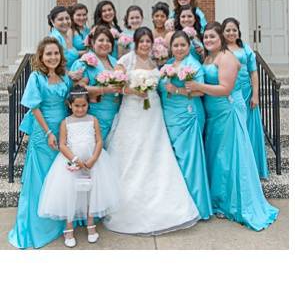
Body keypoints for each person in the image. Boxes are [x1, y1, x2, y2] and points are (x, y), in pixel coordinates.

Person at [103, 27, 199, 235]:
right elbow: (118, 87)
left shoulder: (155, 62)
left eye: (148, 41)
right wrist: (135, 90)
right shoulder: (125, 60)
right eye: (142, 41)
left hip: (153, 111)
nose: (145, 44)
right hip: (132, 110)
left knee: (156, 153)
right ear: (136, 42)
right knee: (133, 153)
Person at [186, 22, 278, 230]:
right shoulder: (208, 56)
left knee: (229, 157)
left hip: (227, 111)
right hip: (214, 114)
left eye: (212, 37)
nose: (209, 40)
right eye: (206, 37)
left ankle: (233, 202)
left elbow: (225, 89)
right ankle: (219, 199)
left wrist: (198, 86)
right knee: (218, 157)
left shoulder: (227, 57)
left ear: (221, 38)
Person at [8, 38, 72, 249]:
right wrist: (48, 133)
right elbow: (35, 108)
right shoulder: (36, 77)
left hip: (62, 129)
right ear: (41, 57)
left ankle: (58, 221)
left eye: (56, 53)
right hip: (43, 131)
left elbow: (69, 102)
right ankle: (37, 226)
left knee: (59, 176)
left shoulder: (64, 77)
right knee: (40, 178)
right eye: (48, 54)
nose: (53, 57)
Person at [37, 89, 121, 247]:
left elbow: (99, 141)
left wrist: (93, 159)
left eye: (83, 105)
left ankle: (91, 225)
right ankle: (68, 229)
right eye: (77, 106)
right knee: (70, 193)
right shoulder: (66, 122)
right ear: (70, 105)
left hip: (94, 162)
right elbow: (62, 144)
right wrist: (75, 160)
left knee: (92, 193)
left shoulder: (93, 120)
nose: (80, 109)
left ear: (88, 104)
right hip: (71, 162)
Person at [159, 31, 213, 220]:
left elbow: (200, 92)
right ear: (171, 47)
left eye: (183, 45)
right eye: (176, 45)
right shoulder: (167, 65)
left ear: (189, 46)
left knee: (190, 161)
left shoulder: (193, 65)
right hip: (169, 116)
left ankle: (197, 206)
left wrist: (177, 90)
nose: (179, 48)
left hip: (187, 115)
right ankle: (179, 205)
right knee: (175, 161)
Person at [223, 18, 268, 177]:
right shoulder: (220, 49)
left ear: (238, 32)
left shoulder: (246, 49)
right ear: (223, 32)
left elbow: (253, 72)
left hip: (246, 91)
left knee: (249, 127)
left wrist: (255, 94)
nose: (231, 33)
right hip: (228, 93)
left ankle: (253, 166)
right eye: (228, 30)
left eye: (234, 30)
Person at [70, 26, 122, 139]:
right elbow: (78, 89)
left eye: (108, 41)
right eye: (101, 40)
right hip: (95, 113)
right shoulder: (85, 61)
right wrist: (104, 90)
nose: (105, 43)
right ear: (93, 42)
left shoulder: (115, 62)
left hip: (115, 113)